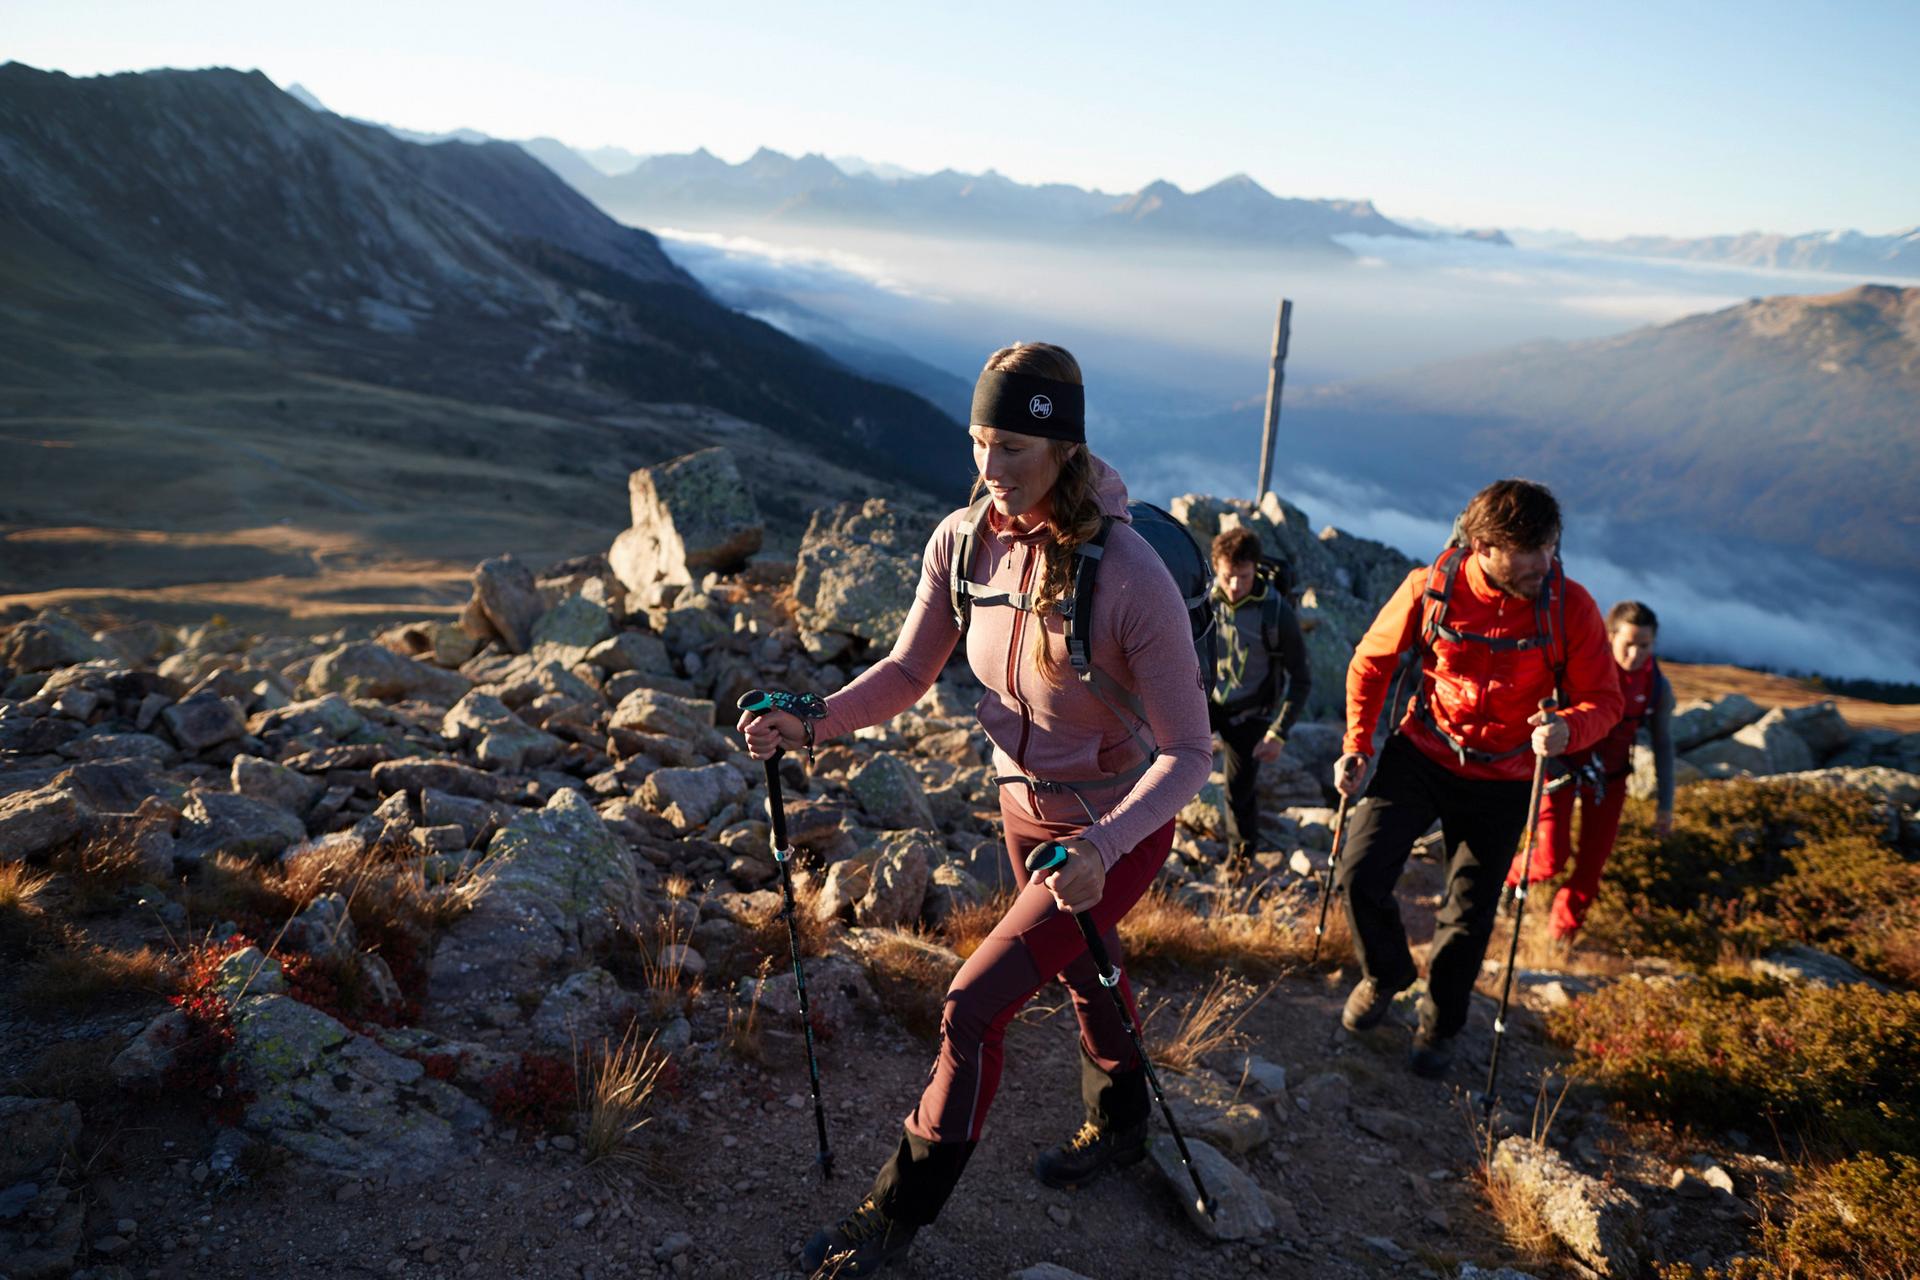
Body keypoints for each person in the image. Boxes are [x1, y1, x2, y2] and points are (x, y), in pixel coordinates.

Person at [738, 342, 1210, 1276]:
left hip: (1115, 827)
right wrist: (813, 721)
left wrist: (1104, 847)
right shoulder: (962, 542)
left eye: (1013, 450)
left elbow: (1190, 753)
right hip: (1023, 807)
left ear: (1066, 450)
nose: (990, 469)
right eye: (978, 442)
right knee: (1085, 968)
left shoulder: (1131, 577)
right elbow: (909, 670)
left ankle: (892, 1218)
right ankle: (1124, 1127)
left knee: (971, 1006)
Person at [1331, 479, 1623, 1078]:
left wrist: (1569, 729)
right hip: (1423, 751)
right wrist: (1357, 744)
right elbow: (1371, 663)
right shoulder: (1431, 589)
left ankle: (1439, 1028)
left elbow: (1605, 700)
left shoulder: (1569, 605)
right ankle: (1386, 973)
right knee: (1359, 872)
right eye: (1529, 551)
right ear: (1483, 546)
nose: (1545, 562)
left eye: (1550, 546)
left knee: (1468, 912)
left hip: (1506, 776)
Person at [1503, 599, 1675, 943]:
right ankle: (1508, 878)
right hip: (1562, 769)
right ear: (1610, 637)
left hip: (1610, 779)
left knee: (1591, 866)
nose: (1636, 654)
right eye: (1628, 644)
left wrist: (1665, 806)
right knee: (1552, 858)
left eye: (1645, 646)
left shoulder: (1655, 686)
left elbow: (1663, 745)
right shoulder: (1582, 670)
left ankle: (1560, 940)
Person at [1207, 526, 1312, 869]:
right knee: (1161, 761)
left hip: (1251, 711)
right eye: (1228, 577)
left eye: (1244, 576)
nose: (1235, 586)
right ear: (1216, 568)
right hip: (1207, 701)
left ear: (1255, 568)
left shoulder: (1276, 612)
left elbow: (1301, 679)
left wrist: (1277, 732)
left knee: (1238, 789)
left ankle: (1240, 864)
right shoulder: (1204, 600)